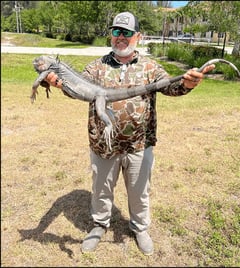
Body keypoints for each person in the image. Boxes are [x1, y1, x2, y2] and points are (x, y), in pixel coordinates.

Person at [45, 11, 215, 256]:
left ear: (138, 36)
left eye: (126, 32)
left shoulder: (150, 67)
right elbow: (78, 90)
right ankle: (99, 225)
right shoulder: (96, 67)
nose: (120, 37)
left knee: (139, 191)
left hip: (138, 144)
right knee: (101, 191)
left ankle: (140, 228)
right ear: (111, 35)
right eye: (116, 32)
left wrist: (188, 84)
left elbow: (171, 88)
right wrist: (60, 83)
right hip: (104, 145)